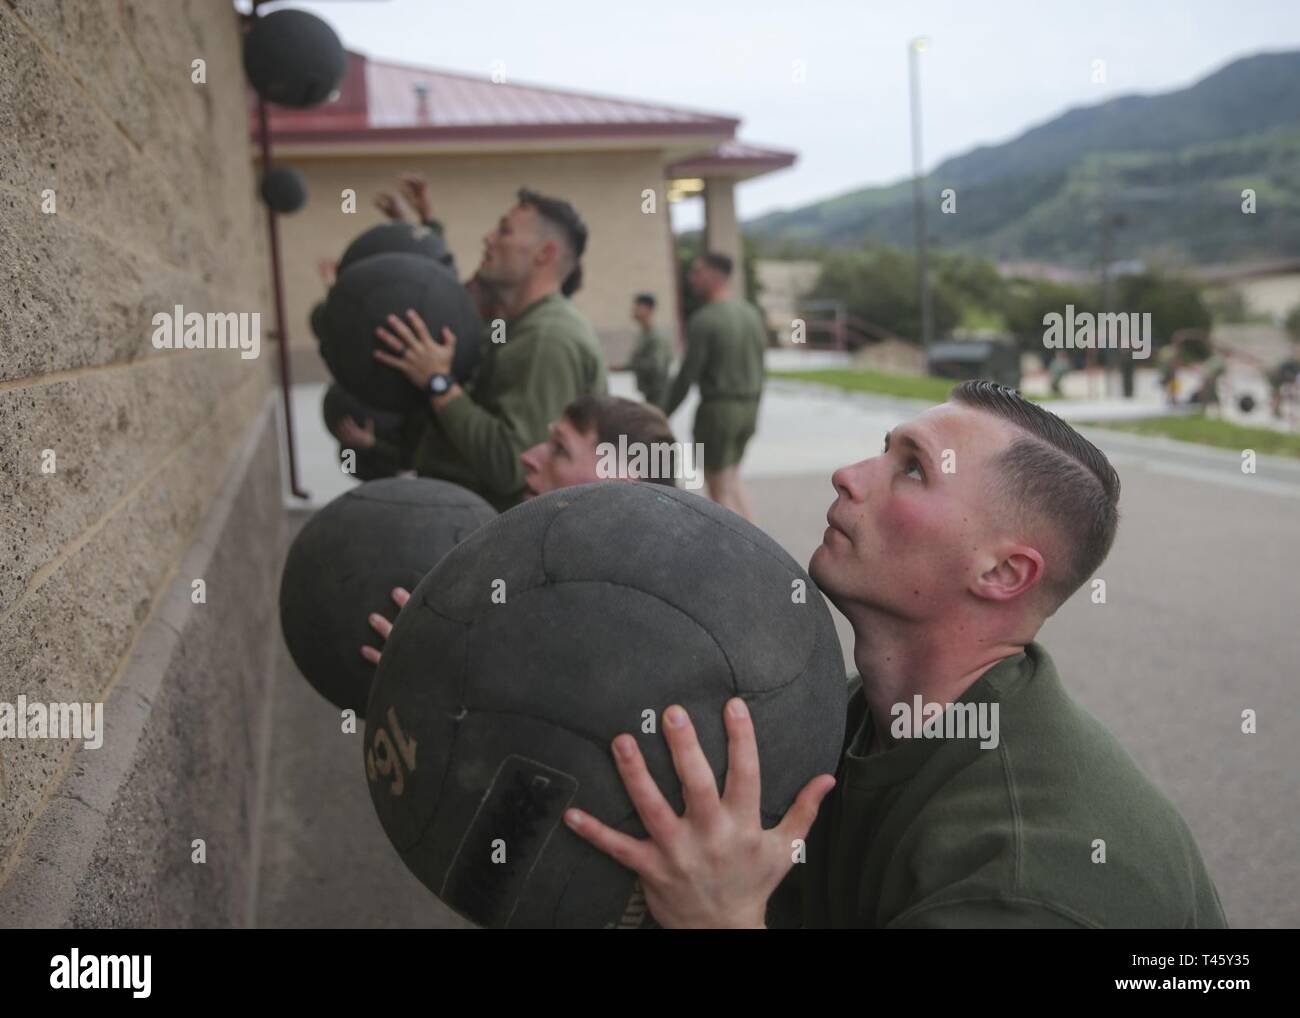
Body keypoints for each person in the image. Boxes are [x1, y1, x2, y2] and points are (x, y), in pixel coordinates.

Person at [564, 380, 1227, 929]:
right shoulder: (857, 713)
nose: (846, 476)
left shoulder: (1020, 883)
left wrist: (721, 922)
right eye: (883, 452)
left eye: (912, 469)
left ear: (1001, 574)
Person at [360, 395, 679, 664]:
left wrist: (439, 663)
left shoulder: (628, 630)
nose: (528, 457)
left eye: (559, 448)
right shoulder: (528, 571)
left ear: (617, 484)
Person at [372, 189, 608, 511]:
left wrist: (439, 384)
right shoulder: (509, 324)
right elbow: (456, 296)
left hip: (505, 540)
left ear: (544, 254)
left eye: (505, 231)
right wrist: (421, 226)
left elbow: (514, 466)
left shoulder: (546, 338)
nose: (488, 238)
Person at [660, 252, 766, 521]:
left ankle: (743, 557)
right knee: (731, 481)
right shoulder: (751, 313)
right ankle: (763, 548)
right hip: (750, 410)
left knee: (719, 495)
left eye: (697, 271)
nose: (691, 278)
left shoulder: (704, 320)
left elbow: (686, 377)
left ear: (716, 276)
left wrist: (660, 412)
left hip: (719, 414)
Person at [626, 294, 673, 408]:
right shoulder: (644, 334)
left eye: (638, 307)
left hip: (658, 394)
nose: (634, 310)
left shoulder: (656, 336)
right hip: (650, 392)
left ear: (649, 309)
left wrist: (633, 365)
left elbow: (657, 366)